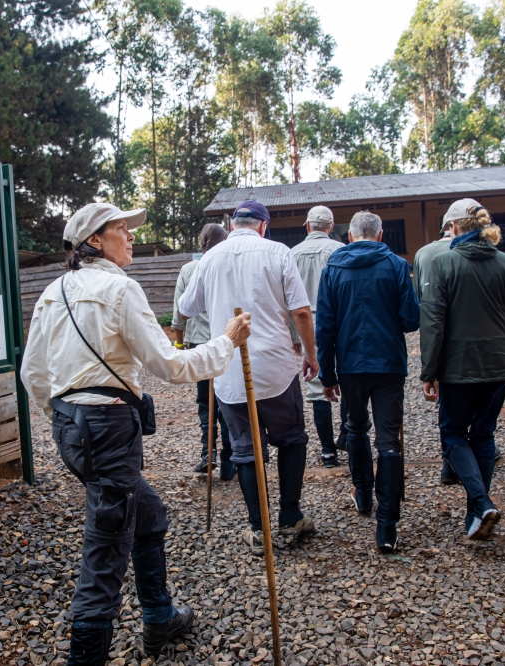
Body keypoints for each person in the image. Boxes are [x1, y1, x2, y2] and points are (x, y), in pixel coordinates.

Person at [21, 202, 252, 665]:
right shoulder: (121, 290)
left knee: (148, 513)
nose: (130, 236)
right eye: (120, 229)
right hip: (106, 432)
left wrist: (68, 414)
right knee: (104, 556)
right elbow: (169, 365)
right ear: (93, 241)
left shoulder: (52, 292)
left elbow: (33, 374)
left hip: (73, 430)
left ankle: (160, 616)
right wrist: (227, 341)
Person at [178, 199, 318, 555]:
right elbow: (300, 310)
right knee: (290, 438)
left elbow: (187, 307)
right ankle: (289, 515)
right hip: (276, 366)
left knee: (245, 450)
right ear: (263, 225)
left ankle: (259, 528)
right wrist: (312, 355)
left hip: (229, 371)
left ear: (233, 222)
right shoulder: (278, 252)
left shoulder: (209, 258)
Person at [420, 200, 505, 541]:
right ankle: (476, 514)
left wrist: (428, 371)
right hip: (499, 364)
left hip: (459, 366)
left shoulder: (443, 263)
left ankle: (480, 503)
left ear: (453, 228)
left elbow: (433, 322)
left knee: (453, 434)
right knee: (482, 435)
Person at [316, 211, 420, 552]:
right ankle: (387, 526)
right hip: (389, 362)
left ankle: (363, 493)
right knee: (389, 441)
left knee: (356, 426)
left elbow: (325, 327)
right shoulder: (395, 264)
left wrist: (327, 375)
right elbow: (410, 320)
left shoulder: (333, 268)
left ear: (349, 236)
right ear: (379, 234)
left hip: (350, 364)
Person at [172, 223, 235, 479]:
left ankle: (207, 452)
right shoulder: (230, 265)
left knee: (205, 401)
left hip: (200, 344)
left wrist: (178, 343)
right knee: (228, 398)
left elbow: (179, 312)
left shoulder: (189, 269)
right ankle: (231, 458)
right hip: (228, 339)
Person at [290, 205, 347, 468]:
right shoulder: (340, 251)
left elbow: (287, 299)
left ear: (307, 226)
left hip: (307, 323)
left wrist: (294, 336)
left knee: (316, 388)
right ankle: (347, 434)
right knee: (347, 379)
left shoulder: (292, 254)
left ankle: (327, 451)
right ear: (331, 227)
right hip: (338, 321)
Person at [412, 207, 460, 486]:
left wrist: (428, 368)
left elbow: (421, 301)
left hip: (440, 336)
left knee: (449, 403)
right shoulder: (481, 253)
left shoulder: (423, 254)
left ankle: (448, 459)